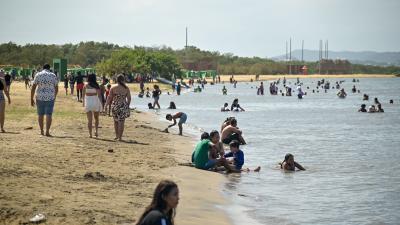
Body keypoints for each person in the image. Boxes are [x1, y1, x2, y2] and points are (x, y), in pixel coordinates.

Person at [30, 64, 58, 136]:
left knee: (40, 114)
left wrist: (31, 98)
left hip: (39, 97)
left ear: (43, 68)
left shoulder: (38, 75)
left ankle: (41, 131)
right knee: (49, 114)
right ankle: (47, 131)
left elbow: (33, 87)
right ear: (49, 68)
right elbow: (56, 87)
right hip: (50, 97)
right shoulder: (53, 75)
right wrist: (54, 96)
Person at [106, 74, 131, 141]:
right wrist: (127, 106)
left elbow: (109, 97)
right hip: (123, 105)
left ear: (117, 80)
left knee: (116, 121)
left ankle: (117, 135)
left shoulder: (113, 87)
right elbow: (129, 98)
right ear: (123, 80)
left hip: (115, 105)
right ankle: (120, 137)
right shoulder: (126, 88)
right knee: (121, 122)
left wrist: (106, 105)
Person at [83, 74, 102, 138]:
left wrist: (83, 103)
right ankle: (96, 131)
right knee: (96, 118)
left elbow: (83, 95)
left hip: (88, 102)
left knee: (89, 120)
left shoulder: (86, 85)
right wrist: (101, 103)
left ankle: (90, 134)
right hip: (95, 101)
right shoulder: (96, 85)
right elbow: (99, 95)